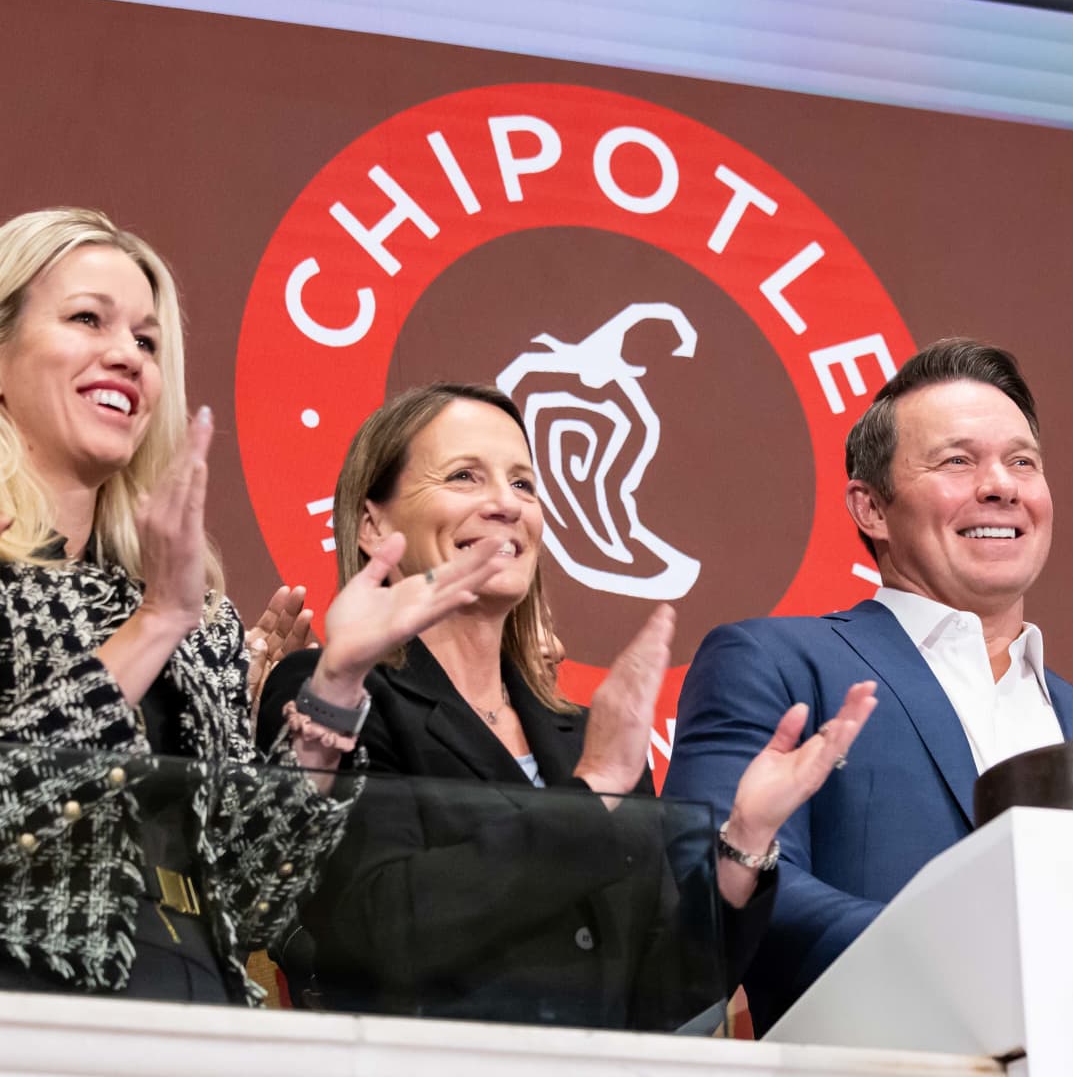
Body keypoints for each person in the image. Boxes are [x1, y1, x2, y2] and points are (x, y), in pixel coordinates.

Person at [0, 207, 505, 1004]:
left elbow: (254, 899)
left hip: (198, 1004)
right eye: (87, 319)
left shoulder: (198, 621)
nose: (126, 356)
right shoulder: (165, 611)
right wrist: (154, 625)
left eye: (147, 342)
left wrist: (335, 688)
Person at [259, 383, 871, 1030]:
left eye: (523, 484)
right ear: (373, 524)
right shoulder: (330, 697)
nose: (505, 504)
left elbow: (666, 997)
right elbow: (375, 930)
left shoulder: (586, 734)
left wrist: (745, 838)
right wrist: (590, 794)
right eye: (465, 476)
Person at [662, 338, 1073, 1027]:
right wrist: (983, 957)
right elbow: (712, 899)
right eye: (958, 461)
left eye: (1023, 462)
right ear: (872, 509)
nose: (1001, 486)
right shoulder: (777, 664)